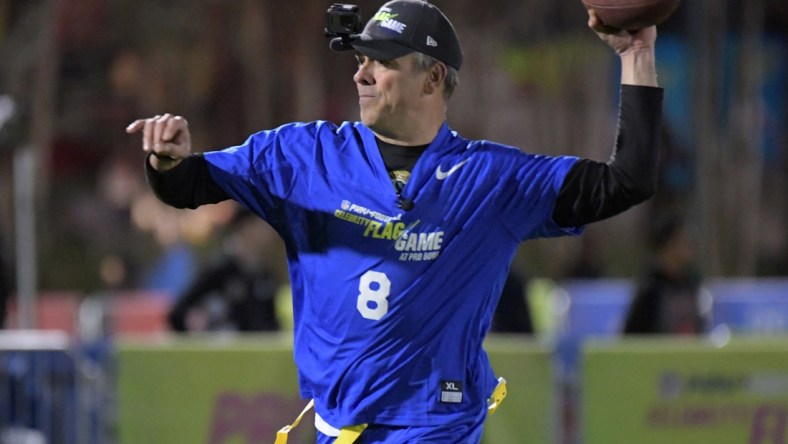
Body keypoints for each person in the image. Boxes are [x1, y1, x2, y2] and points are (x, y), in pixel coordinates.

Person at [127, 1, 663, 442]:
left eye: (380, 61)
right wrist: (165, 160)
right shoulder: (304, 156)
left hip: (437, 426)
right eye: (360, 58)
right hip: (335, 427)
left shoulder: (490, 180)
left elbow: (627, 181)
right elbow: (188, 186)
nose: (361, 72)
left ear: (432, 78)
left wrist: (637, 55)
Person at [168, 210, 281, 332]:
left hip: (259, 349)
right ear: (246, 227)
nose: (270, 231)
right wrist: (194, 320)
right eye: (263, 225)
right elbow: (180, 313)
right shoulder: (218, 269)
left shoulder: (265, 275)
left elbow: (271, 323)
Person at [623, 216, 706, 335]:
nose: (690, 246)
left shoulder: (693, 284)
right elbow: (632, 336)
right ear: (666, 246)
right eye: (683, 241)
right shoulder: (650, 290)